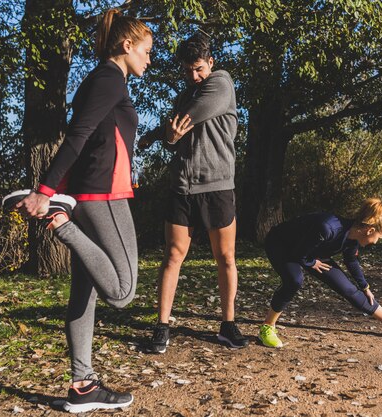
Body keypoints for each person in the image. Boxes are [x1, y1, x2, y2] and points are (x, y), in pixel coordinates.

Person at [2, 9, 152, 413]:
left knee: (83, 293)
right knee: (121, 292)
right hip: (105, 196)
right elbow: (78, 136)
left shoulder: (98, 81)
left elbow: (87, 141)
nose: (149, 59)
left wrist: (60, 191)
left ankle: (82, 385)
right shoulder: (108, 79)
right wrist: (47, 194)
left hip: (88, 194)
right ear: (126, 45)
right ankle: (59, 224)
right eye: (146, 50)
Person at [138, 32, 248, 352]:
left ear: (211, 62)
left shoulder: (221, 83)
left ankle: (228, 324)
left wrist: (161, 135)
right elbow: (175, 133)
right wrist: (163, 136)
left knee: (225, 257)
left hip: (217, 186)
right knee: (173, 255)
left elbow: (184, 121)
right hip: (183, 187)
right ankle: (162, 325)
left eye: (198, 68)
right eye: (188, 70)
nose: (194, 75)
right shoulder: (186, 93)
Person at [257, 198, 382, 348]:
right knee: (294, 280)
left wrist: (364, 286)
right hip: (281, 244)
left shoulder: (352, 238)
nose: (377, 242)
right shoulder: (328, 228)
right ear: (370, 230)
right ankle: (267, 327)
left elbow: (350, 260)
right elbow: (299, 253)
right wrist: (311, 262)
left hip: (311, 251)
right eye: (380, 237)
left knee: (348, 289)